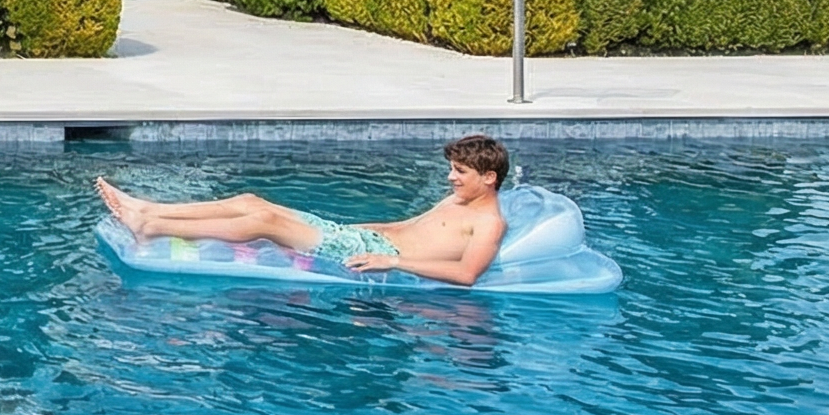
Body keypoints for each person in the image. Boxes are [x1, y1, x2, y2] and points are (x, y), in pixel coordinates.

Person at [94, 135, 514, 285]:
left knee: (263, 223)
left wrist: (392, 261)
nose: (450, 178)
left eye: (459, 172)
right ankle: (147, 207)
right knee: (249, 201)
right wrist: (357, 227)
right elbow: (408, 225)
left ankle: (152, 228)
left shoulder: (488, 222)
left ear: (489, 178)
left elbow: (466, 275)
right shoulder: (458, 200)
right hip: (359, 236)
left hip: (364, 255)